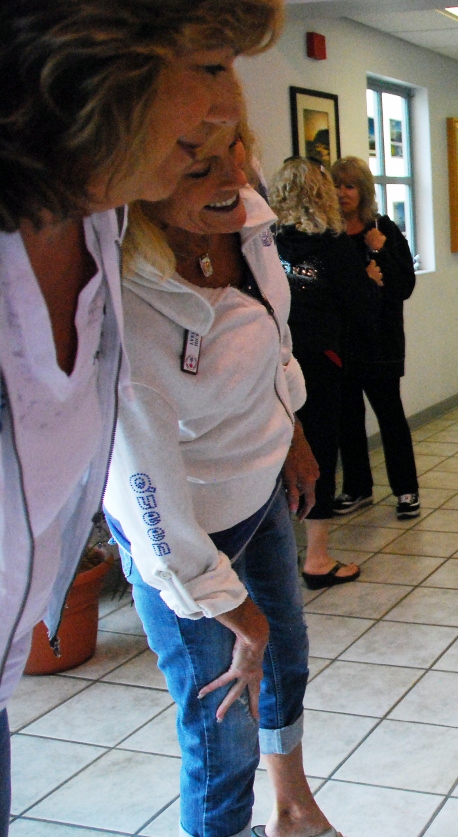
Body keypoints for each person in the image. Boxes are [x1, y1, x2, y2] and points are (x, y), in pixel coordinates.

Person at [0, 1, 280, 831]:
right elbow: (139, 465)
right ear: (97, 59)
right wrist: (214, 591)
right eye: (208, 64)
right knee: (217, 737)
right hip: (184, 546)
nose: (230, 106)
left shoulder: (99, 219)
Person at [106, 125, 342, 837]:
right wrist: (235, 612)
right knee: (220, 726)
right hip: (180, 533)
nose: (233, 176)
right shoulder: (125, 303)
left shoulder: (247, 225)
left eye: (238, 149)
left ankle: (294, 809)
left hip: (260, 492)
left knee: (288, 659)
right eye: (199, 164)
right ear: (141, 180)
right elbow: (147, 498)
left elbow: (271, 333)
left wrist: (291, 426)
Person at [269, 158, 367, 589]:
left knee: (270, 451)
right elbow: (360, 306)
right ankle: (318, 558)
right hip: (320, 362)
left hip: (268, 361)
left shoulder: (261, 242)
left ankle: (270, 555)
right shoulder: (334, 245)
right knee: (320, 452)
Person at [329, 156, 420, 520]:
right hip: (342, 342)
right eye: (336, 185)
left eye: (349, 186)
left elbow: (404, 285)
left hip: (380, 342)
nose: (342, 193)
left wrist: (380, 250)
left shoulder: (383, 229)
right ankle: (357, 488)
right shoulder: (329, 233)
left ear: (363, 191)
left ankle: (406, 489)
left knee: (390, 417)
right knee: (347, 418)